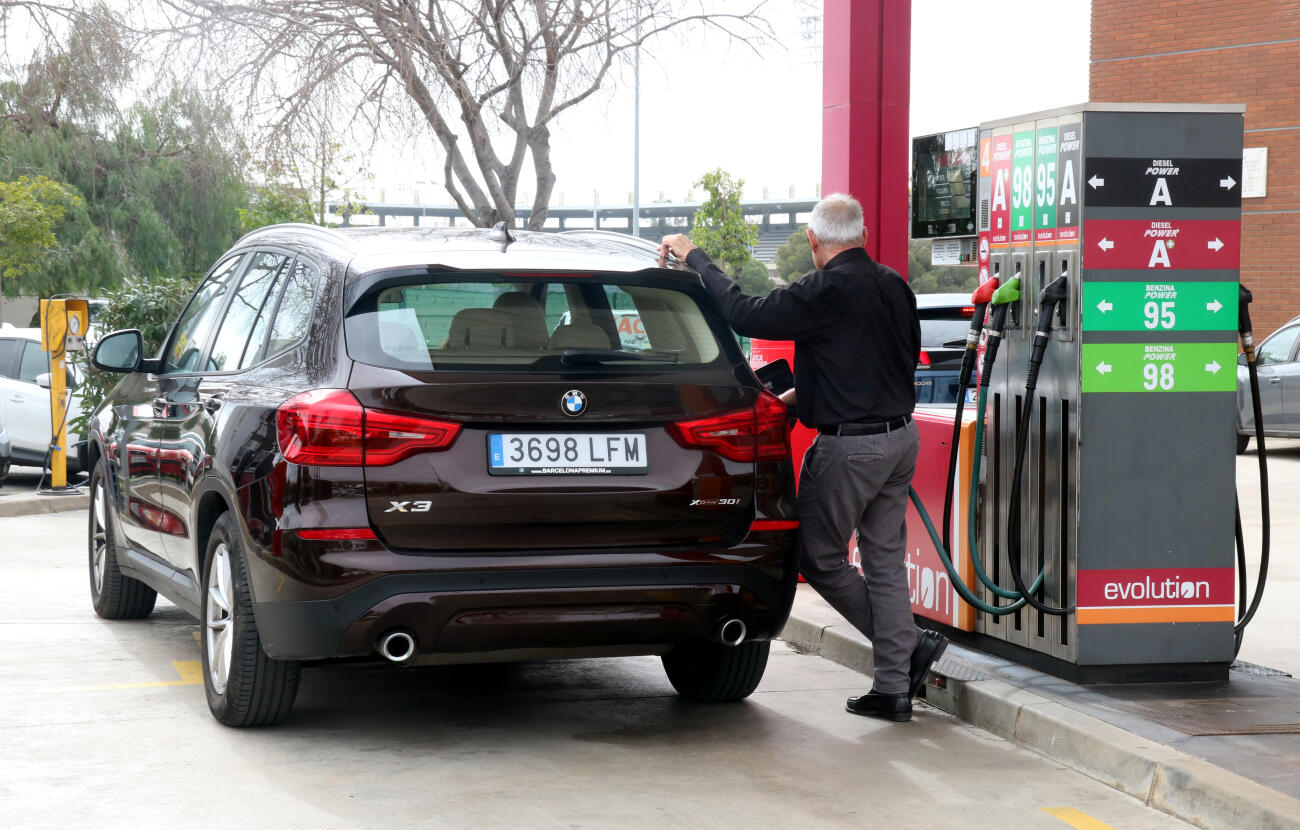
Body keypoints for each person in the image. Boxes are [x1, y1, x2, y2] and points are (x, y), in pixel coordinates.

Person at [659, 193, 948, 722]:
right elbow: (878, 364)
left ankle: (906, 649)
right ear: (861, 235)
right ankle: (893, 686)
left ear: (814, 241)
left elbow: (745, 313)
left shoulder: (822, 290)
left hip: (849, 450)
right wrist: (799, 399)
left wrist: (695, 256)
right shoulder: (895, 287)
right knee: (884, 562)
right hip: (901, 439)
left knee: (820, 558)